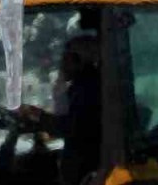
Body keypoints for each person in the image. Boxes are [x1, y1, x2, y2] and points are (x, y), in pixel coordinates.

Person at [19, 33, 103, 185]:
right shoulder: (80, 85)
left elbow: (71, 127)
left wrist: (39, 116)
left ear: (80, 60)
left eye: (67, 58)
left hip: (85, 170)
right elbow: (65, 119)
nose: (62, 64)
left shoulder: (89, 89)